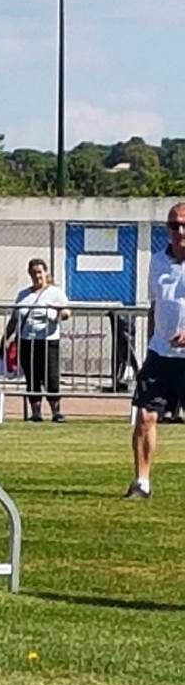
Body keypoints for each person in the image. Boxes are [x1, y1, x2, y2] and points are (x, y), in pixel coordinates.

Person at [125, 202, 185, 499]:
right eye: (174, 225)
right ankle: (142, 482)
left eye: (184, 224)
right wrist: (151, 343)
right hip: (161, 355)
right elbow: (155, 306)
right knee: (146, 417)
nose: (180, 231)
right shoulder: (158, 262)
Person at [7, 258, 70, 423]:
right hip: (27, 340)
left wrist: (59, 313)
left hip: (48, 341)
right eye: (34, 273)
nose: (37, 276)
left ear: (46, 273)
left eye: (40, 272)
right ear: (29, 274)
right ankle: (35, 413)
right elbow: (15, 318)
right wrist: (6, 338)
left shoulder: (55, 292)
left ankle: (56, 412)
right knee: (32, 378)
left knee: (51, 377)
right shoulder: (23, 295)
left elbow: (66, 312)